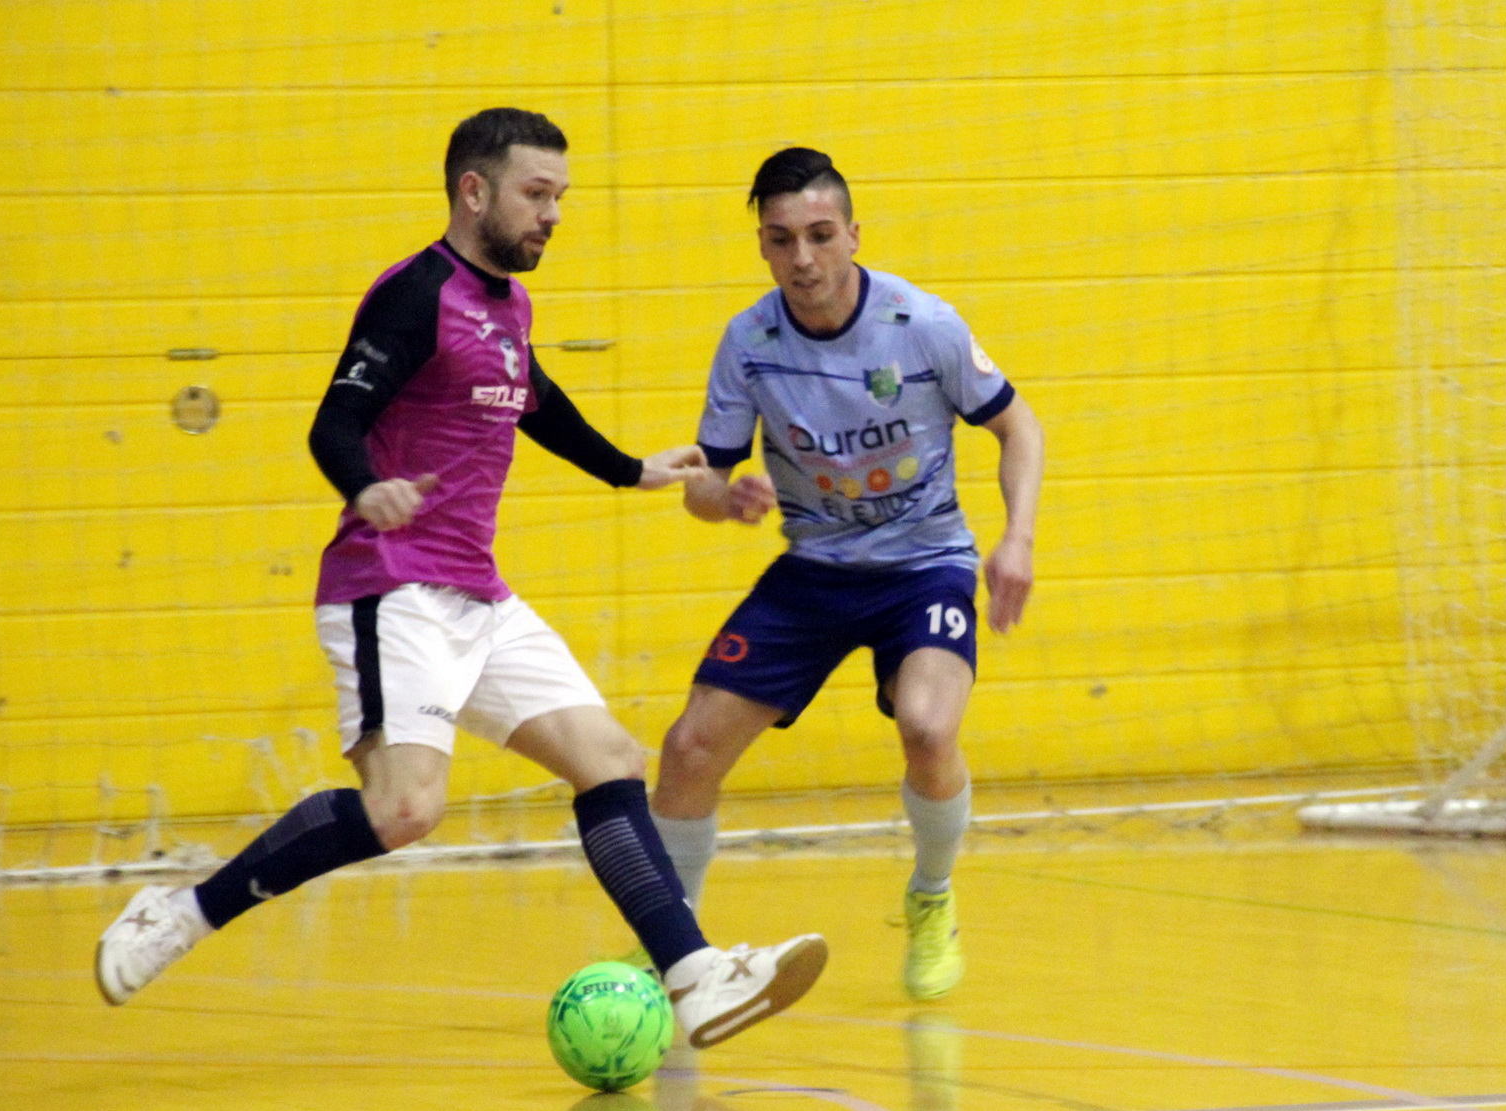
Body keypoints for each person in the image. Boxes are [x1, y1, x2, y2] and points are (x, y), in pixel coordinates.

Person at [94, 109, 827, 1048]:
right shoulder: (415, 294)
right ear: (474, 192)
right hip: (388, 585)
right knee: (405, 811)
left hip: (478, 596)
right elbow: (333, 422)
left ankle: (695, 976)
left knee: (609, 760)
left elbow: (536, 400)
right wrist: (367, 486)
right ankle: (180, 913)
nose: (553, 214)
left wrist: (635, 471)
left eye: (560, 196)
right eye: (536, 194)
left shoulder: (508, 306)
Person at [647, 147, 1044, 1000]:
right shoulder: (749, 343)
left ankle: (931, 897)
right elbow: (701, 489)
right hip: (814, 569)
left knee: (930, 728)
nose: (804, 259)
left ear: (854, 236)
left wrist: (1017, 539)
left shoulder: (923, 325)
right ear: (762, 246)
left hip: (924, 565)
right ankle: (675, 959)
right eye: (782, 239)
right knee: (686, 749)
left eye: (821, 236)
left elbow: (1021, 429)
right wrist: (726, 497)